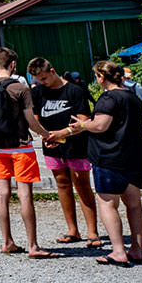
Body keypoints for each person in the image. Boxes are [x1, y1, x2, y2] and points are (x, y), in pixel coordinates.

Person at [45, 61, 142, 266]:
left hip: (110, 157)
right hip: (135, 156)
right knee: (134, 204)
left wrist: (82, 124)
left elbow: (101, 126)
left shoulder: (108, 99)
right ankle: (136, 249)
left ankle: (118, 250)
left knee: (108, 203)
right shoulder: (132, 97)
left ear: (102, 77)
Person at [0, 47, 57, 259]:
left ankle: (7, 241)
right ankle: (33, 246)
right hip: (20, 146)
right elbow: (31, 121)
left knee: (2, 193)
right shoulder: (20, 89)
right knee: (25, 194)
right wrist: (46, 134)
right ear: (13, 65)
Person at [27, 57, 100, 247]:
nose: (41, 82)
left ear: (52, 71)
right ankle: (72, 229)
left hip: (77, 144)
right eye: (37, 79)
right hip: (52, 144)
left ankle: (92, 231)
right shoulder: (38, 92)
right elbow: (35, 117)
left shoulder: (74, 91)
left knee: (82, 184)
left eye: (44, 78)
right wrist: (45, 135)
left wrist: (63, 133)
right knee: (62, 183)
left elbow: (84, 119)